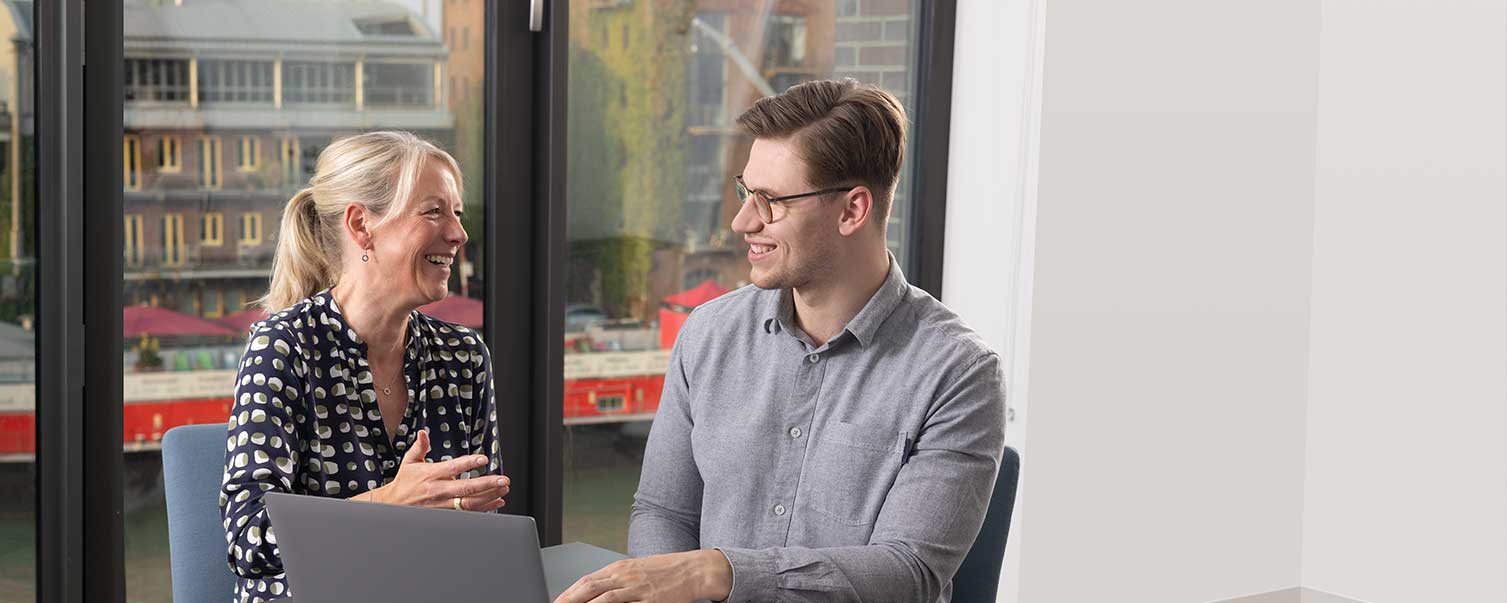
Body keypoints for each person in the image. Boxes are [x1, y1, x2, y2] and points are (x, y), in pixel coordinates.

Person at [556, 79, 1007, 603]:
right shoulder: (707, 333)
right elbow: (663, 511)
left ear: (852, 211)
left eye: (770, 201)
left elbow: (907, 573)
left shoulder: (959, 373)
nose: (742, 220)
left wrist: (717, 573)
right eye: (746, 192)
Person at [219, 131, 508, 602]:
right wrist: (393, 504)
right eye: (434, 211)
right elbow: (250, 540)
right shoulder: (284, 347)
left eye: (457, 213)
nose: (458, 233)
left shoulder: (464, 356)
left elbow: (485, 525)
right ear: (361, 226)